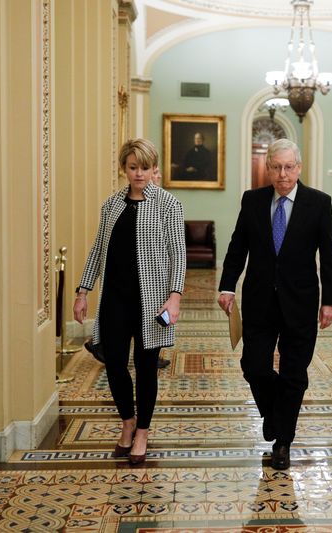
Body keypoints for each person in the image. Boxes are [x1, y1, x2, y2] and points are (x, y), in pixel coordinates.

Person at [217, 138, 332, 470]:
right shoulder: (253, 200)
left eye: (289, 167)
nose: (283, 174)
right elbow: (237, 245)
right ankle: (273, 413)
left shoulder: (318, 203)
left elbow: (329, 256)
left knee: (293, 373)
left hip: (301, 302)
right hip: (259, 300)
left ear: (298, 168)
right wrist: (228, 285)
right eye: (276, 167)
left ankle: (282, 441)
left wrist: (330, 301)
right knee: (254, 366)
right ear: (268, 168)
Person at [74, 138, 186, 465]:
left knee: (147, 367)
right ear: (124, 168)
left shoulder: (168, 204)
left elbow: (178, 255)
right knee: (114, 363)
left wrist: (174, 297)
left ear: (155, 169)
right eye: (133, 167)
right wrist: (83, 291)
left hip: (151, 301)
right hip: (115, 300)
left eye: (145, 167)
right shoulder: (111, 205)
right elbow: (98, 249)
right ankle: (127, 423)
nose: (139, 174)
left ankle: (143, 432)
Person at [150, 165, 172, 370]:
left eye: (157, 174)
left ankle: (153, 356)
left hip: (161, 278)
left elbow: (176, 251)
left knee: (157, 320)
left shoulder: (167, 203)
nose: (156, 178)